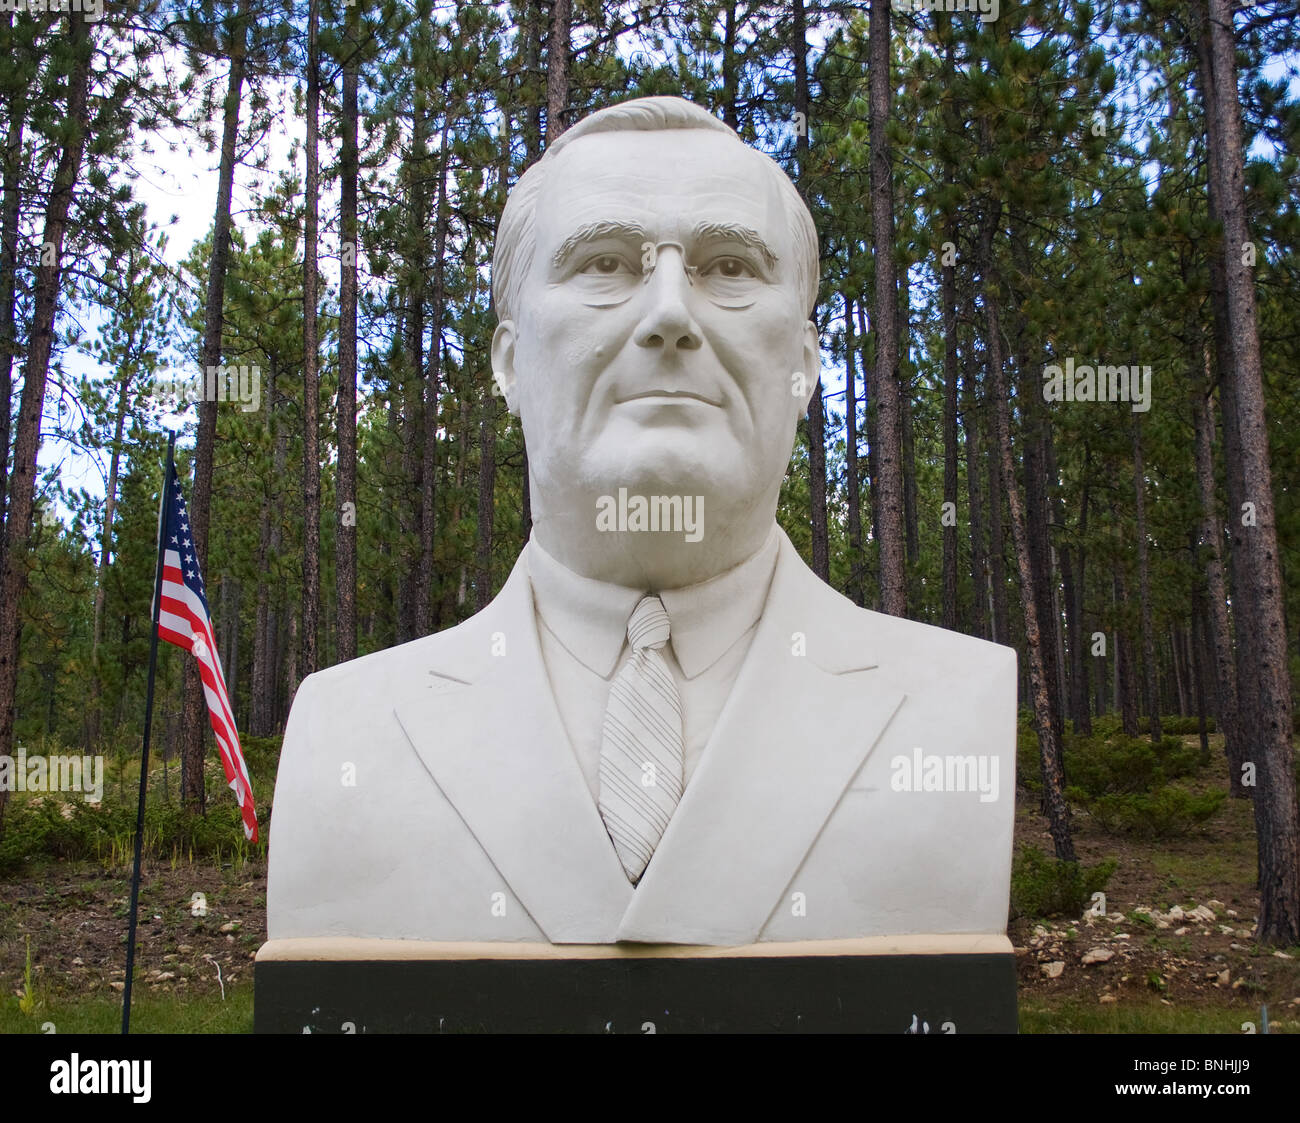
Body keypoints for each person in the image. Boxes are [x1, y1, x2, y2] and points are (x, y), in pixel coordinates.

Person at [267, 96, 1016, 946]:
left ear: (804, 364)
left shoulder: (953, 709)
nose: (669, 313)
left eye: (729, 267)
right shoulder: (350, 728)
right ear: (509, 362)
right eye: (606, 264)